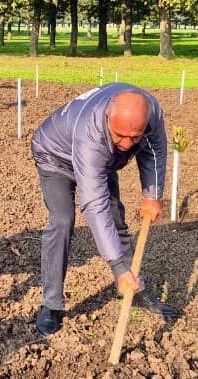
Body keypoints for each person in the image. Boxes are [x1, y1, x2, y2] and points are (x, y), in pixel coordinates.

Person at [29, 83, 179, 336]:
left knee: (117, 219)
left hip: (101, 161)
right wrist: (116, 265)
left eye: (135, 137)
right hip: (56, 156)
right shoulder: (92, 133)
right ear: (108, 116)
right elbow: (94, 203)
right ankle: (51, 304)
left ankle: (133, 287)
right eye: (120, 135)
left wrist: (152, 195)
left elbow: (155, 151)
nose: (127, 144)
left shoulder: (151, 112)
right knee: (63, 221)